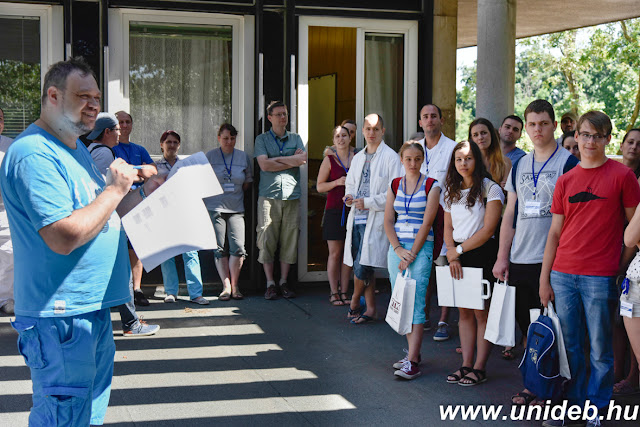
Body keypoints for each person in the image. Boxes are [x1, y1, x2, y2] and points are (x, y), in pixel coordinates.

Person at [0, 57, 164, 426]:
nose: (94, 105)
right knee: (63, 417)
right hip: (60, 315)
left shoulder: (73, 148)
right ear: (53, 96)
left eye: (97, 97)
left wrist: (144, 191)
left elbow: (102, 209)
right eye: (83, 95)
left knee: (85, 416)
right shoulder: (33, 153)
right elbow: (64, 235)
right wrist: (116, 188)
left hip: (90, 307)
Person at [539, 111, 640, 427]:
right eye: (585, 134)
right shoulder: (565, 181)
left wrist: (618, 268)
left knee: (599, 348)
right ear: (576, 136)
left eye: (598, 135)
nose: (590, 141)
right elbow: (554, 233)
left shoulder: (623, 176)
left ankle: (595, 410)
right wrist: (545, 278)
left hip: (601, 276)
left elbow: (634, 230)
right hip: (563, 274)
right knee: (571, 347)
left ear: (608, 138)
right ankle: (573, 407)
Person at [492, 99, 578, 406]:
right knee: (530, 330)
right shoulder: (519, 164)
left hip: (554, 261)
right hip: (520, 259)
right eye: (532, 124)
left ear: (554, 126)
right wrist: (503, 257)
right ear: (525, 128)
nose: (537, 129)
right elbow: (510, 213)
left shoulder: (568, 163)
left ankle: (554, 390)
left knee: (557, 330)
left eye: (543, 123)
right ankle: (533, 384)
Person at [86, 113, 160, 336]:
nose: (120, 133)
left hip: (102, 222)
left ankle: (126, 321)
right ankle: (130, 324)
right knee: (122, 273)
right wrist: (139, 174)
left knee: (117, 273)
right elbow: (103, 185)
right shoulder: (104, 153)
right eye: (117, 129)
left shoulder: (92, 150)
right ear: (107, 132)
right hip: (107, 223)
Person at [443, 140, 503, 387]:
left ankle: (480, 367)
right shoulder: (451, 190)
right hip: (457, 255)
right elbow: (448, 227)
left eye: (468, 158)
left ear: (476, 160)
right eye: (458, 159)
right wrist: (451, 252)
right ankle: (466, 364)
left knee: (481, 313)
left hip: (481, 254)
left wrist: (457, 250)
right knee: (464, 312)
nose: (463, 163)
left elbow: (488, 230)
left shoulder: (491, 189)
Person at [385, 141, 440, 379]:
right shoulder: (395, 184)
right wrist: (397, 248)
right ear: (401, 160)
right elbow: (388, 220)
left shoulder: (432, 185)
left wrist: (412, 255)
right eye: (408, 159)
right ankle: (412, 356)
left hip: (420, 249)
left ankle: (413, 362)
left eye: (417, 159)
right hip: (397, 249)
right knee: (401, 300)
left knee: (416, 304)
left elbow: (427, 223)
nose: (413, 163)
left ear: (423, 160)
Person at [343, 113, 401, 324]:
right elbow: (351, 185)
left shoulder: (391, 157)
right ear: (362, 131)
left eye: (376, 129)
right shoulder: (358, 158)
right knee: (364, 264)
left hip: (376, 219)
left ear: (382, 131)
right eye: (368, 129)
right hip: (357, 217)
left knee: (363, 265)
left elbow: (394, 192)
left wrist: (367, 202)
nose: (371, 133)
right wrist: (349, 196)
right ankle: (371, 309)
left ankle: (354, 301)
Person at [413, 104, 457, 341]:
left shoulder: (452, 148)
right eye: (425, 117)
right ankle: (423, 314)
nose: (429, 120)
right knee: (422, 267)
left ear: (441, 120)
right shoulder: (415, 148)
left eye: (433, 116)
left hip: (444, 215)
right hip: (419, 215)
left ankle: (443, 319)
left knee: (443, 267)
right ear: (420, 122)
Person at [255, 101, 307, 299]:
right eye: (278, 114)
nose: (282, 117)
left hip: (292, 196)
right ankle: (270, 283)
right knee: (267, 238)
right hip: (269, 196)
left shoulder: (295, 138)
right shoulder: (262, 139)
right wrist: (289, 160)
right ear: (270, 117)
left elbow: (302, 160)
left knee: (290, 239)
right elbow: (264, 166)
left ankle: (284, 282)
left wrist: (275, 159)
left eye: (284, 114)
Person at [155, 130, 209, 305]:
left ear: (179, 145)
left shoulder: (186, 165)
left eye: (175, 142)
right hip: (164, 214)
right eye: (168, 142)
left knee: (191, 253)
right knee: (167, 255)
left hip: (185, 213)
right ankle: (171, 292)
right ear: (162, 144)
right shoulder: (154, 166)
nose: (171, 145)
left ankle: (196, 294)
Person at [114, 110, 157, 307]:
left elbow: (153, 172)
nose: (124, 125)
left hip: (138, 206)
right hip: (117, 205)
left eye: (127, 122)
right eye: (120, 122)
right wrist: (140, 172)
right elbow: (115, 173)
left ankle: (136, 289)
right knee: (116, 250)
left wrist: (132, 171)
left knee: (135, 248)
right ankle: (118, 291)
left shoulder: (139, 148)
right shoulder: (110, 149)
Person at [205, 123, 252, 300]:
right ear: (219, 138)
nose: (229, 141)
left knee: (238, 247)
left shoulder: (242, 157)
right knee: (219, 248)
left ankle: (235, 286)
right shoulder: (210, 156)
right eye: (225, 138)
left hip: (236, 207)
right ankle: (225, 286)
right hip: (215, 206)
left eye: (232, 138)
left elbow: (247, 182)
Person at [316, 125, 355, 305]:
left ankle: (345, 291)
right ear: (333, 140)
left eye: (344, 135)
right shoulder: (329, 160)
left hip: (353, 209)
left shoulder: (357, 157)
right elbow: (320, 186)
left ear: (350, 137)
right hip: (334, 210)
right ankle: (333, 292)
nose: (341, 139)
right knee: (335, 253)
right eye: (338, 136)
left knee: (348, 253)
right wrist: (337, 182)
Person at [468, 117, 512, 188]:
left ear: (491, 135)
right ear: (471, 139)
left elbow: (507, 192)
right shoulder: (467, 162)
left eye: (483, 133)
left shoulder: (505, 162)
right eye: (475, 135)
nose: (480, 137)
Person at [0, 107, 14, 315]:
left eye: (1, 118)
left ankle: (5, 298)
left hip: (5, 211)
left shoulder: (12, 146)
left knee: (9, 254)